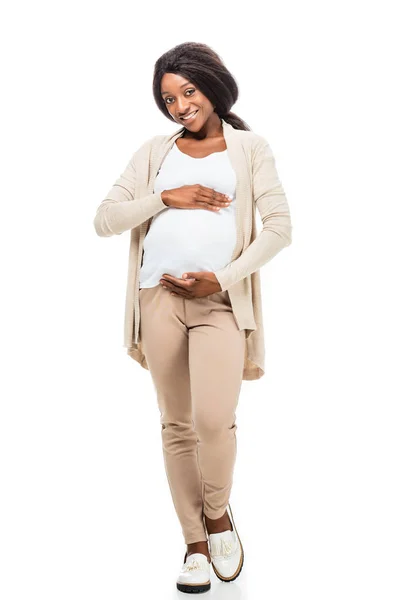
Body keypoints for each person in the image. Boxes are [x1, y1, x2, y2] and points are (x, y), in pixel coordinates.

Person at [93, 41, 292, 593]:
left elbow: (279, 228)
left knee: (213, 420)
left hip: (219, 303)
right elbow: (104, 219)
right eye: (169, 98)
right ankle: (196, 544)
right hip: (157, 300)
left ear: (211, 85)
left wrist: (221, 280)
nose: (181, 106)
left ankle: (219, 514)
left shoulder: (249, 148)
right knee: (176, 425)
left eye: (189, 91)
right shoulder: (154, 154)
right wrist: (165, 197)